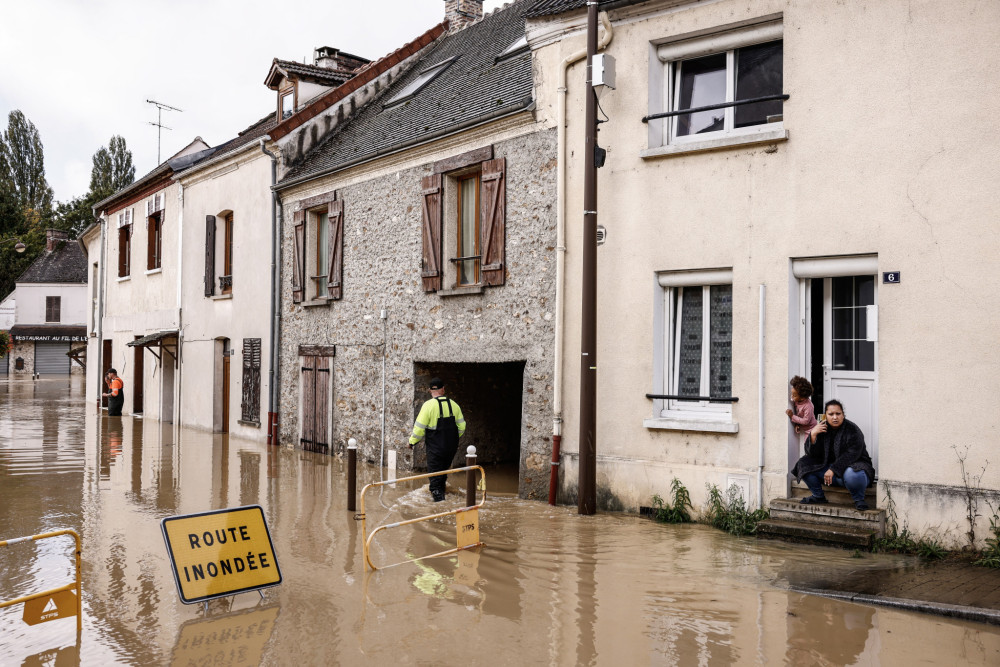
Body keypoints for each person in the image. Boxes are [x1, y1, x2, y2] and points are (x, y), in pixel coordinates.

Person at [791, 399, 875, 511]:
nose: (835, 417)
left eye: (838, 414)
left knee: (852, 473)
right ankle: (818, 496)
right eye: (831, 414)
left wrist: (833, 469)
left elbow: (852, 454)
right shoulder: (822, 428)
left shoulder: (852, 429)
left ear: (843, 415)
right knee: (803, 463)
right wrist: (813, 435)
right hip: (831, 474)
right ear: (826, 415)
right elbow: (812, 455)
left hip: (853, 472)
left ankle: (859, 499)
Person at [409, 377, 466, 502]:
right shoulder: (454, 405)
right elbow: (462, 427)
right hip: (451, 448)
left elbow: (419, 428)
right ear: (443, 389)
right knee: (443, 474)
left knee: (435, 478)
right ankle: (442, 495)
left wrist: (412, 442)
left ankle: (439, 507)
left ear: (430, 391)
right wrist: (452, 439)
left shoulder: (428, 406)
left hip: (435, 449)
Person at [785, 375, 818, 444]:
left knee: (808, 446)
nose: (792, 397)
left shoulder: (808, 406)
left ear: (802, 398)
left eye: (794, 395)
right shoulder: (797, 400)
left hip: (812, 429)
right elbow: (799, 414)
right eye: (792, 394)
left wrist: (792, 416)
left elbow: (806, 421)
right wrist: (797, 424)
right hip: (805, 428)